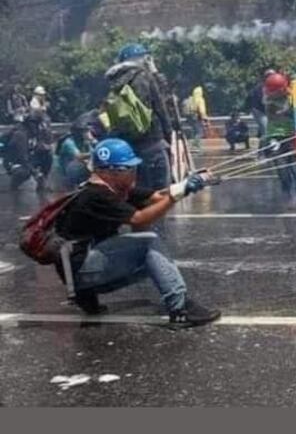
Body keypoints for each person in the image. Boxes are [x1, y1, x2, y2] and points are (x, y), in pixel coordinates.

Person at [54, 138, 221, 326]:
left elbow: (157, 197)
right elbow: (139, 219)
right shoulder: (96, 195)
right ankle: (180, 309)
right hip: (82, 273)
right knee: (149, 243)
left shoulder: (112, 188)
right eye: (131, 169)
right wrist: (176, 195)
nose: (135, 173)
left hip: (82, 272)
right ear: (114, 171)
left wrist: (186, 186)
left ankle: (88, 299)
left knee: (156, 261)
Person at [105, 44, 173, 190]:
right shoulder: (145, 76)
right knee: (160, 196)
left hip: (128, 149)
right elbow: (162, 105)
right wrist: (168, 135)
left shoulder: (115, 81)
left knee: (138, 194)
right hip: (153, 143)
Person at [262, 72, 296, 213]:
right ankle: (288, 199)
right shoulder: (269, 101)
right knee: (283, 172)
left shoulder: (292, 97)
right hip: (275, 138)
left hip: (291, 137)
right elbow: (281, 112)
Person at [2, 115, 53, 191]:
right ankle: (14, 185)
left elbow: (40, 148)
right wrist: (35, 173)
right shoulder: (20, 135)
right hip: (14, 162)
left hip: (28, 158)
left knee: (47, 157)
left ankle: (42, 183)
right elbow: (23, 158)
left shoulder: (36, 134)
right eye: (34, 124)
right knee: (25, 172)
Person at [56, 118, 95, 190]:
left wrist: (92, 141)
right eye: (84, 131)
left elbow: (92, 152)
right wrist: (94, 153)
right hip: (64, 174)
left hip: (75, 171)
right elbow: (79, 156)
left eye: (87, 131)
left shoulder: (85, 142)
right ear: (78, 132)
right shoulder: (69, 142)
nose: (87, 133)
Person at [250, 70, 273, 140]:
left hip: (264, 110)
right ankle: (264, 149)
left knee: (266, 130)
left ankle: (262, 145)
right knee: (266, 131)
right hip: (258, 111)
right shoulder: (261, 87)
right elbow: (263, 101)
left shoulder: (270, 86)